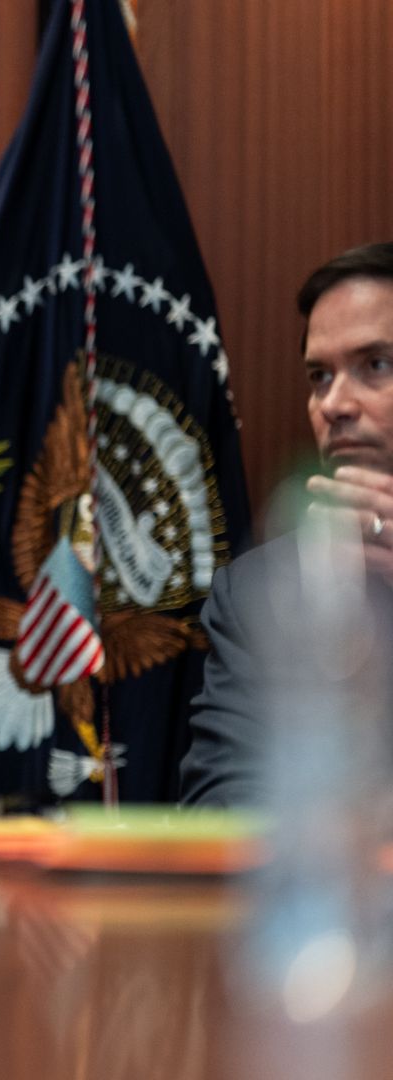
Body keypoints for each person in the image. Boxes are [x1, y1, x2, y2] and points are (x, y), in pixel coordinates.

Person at [181, 243, 393, 807]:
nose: (333, 404)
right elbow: (220, 803)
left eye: (376, 364)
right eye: (319, 376)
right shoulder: (256, 590)